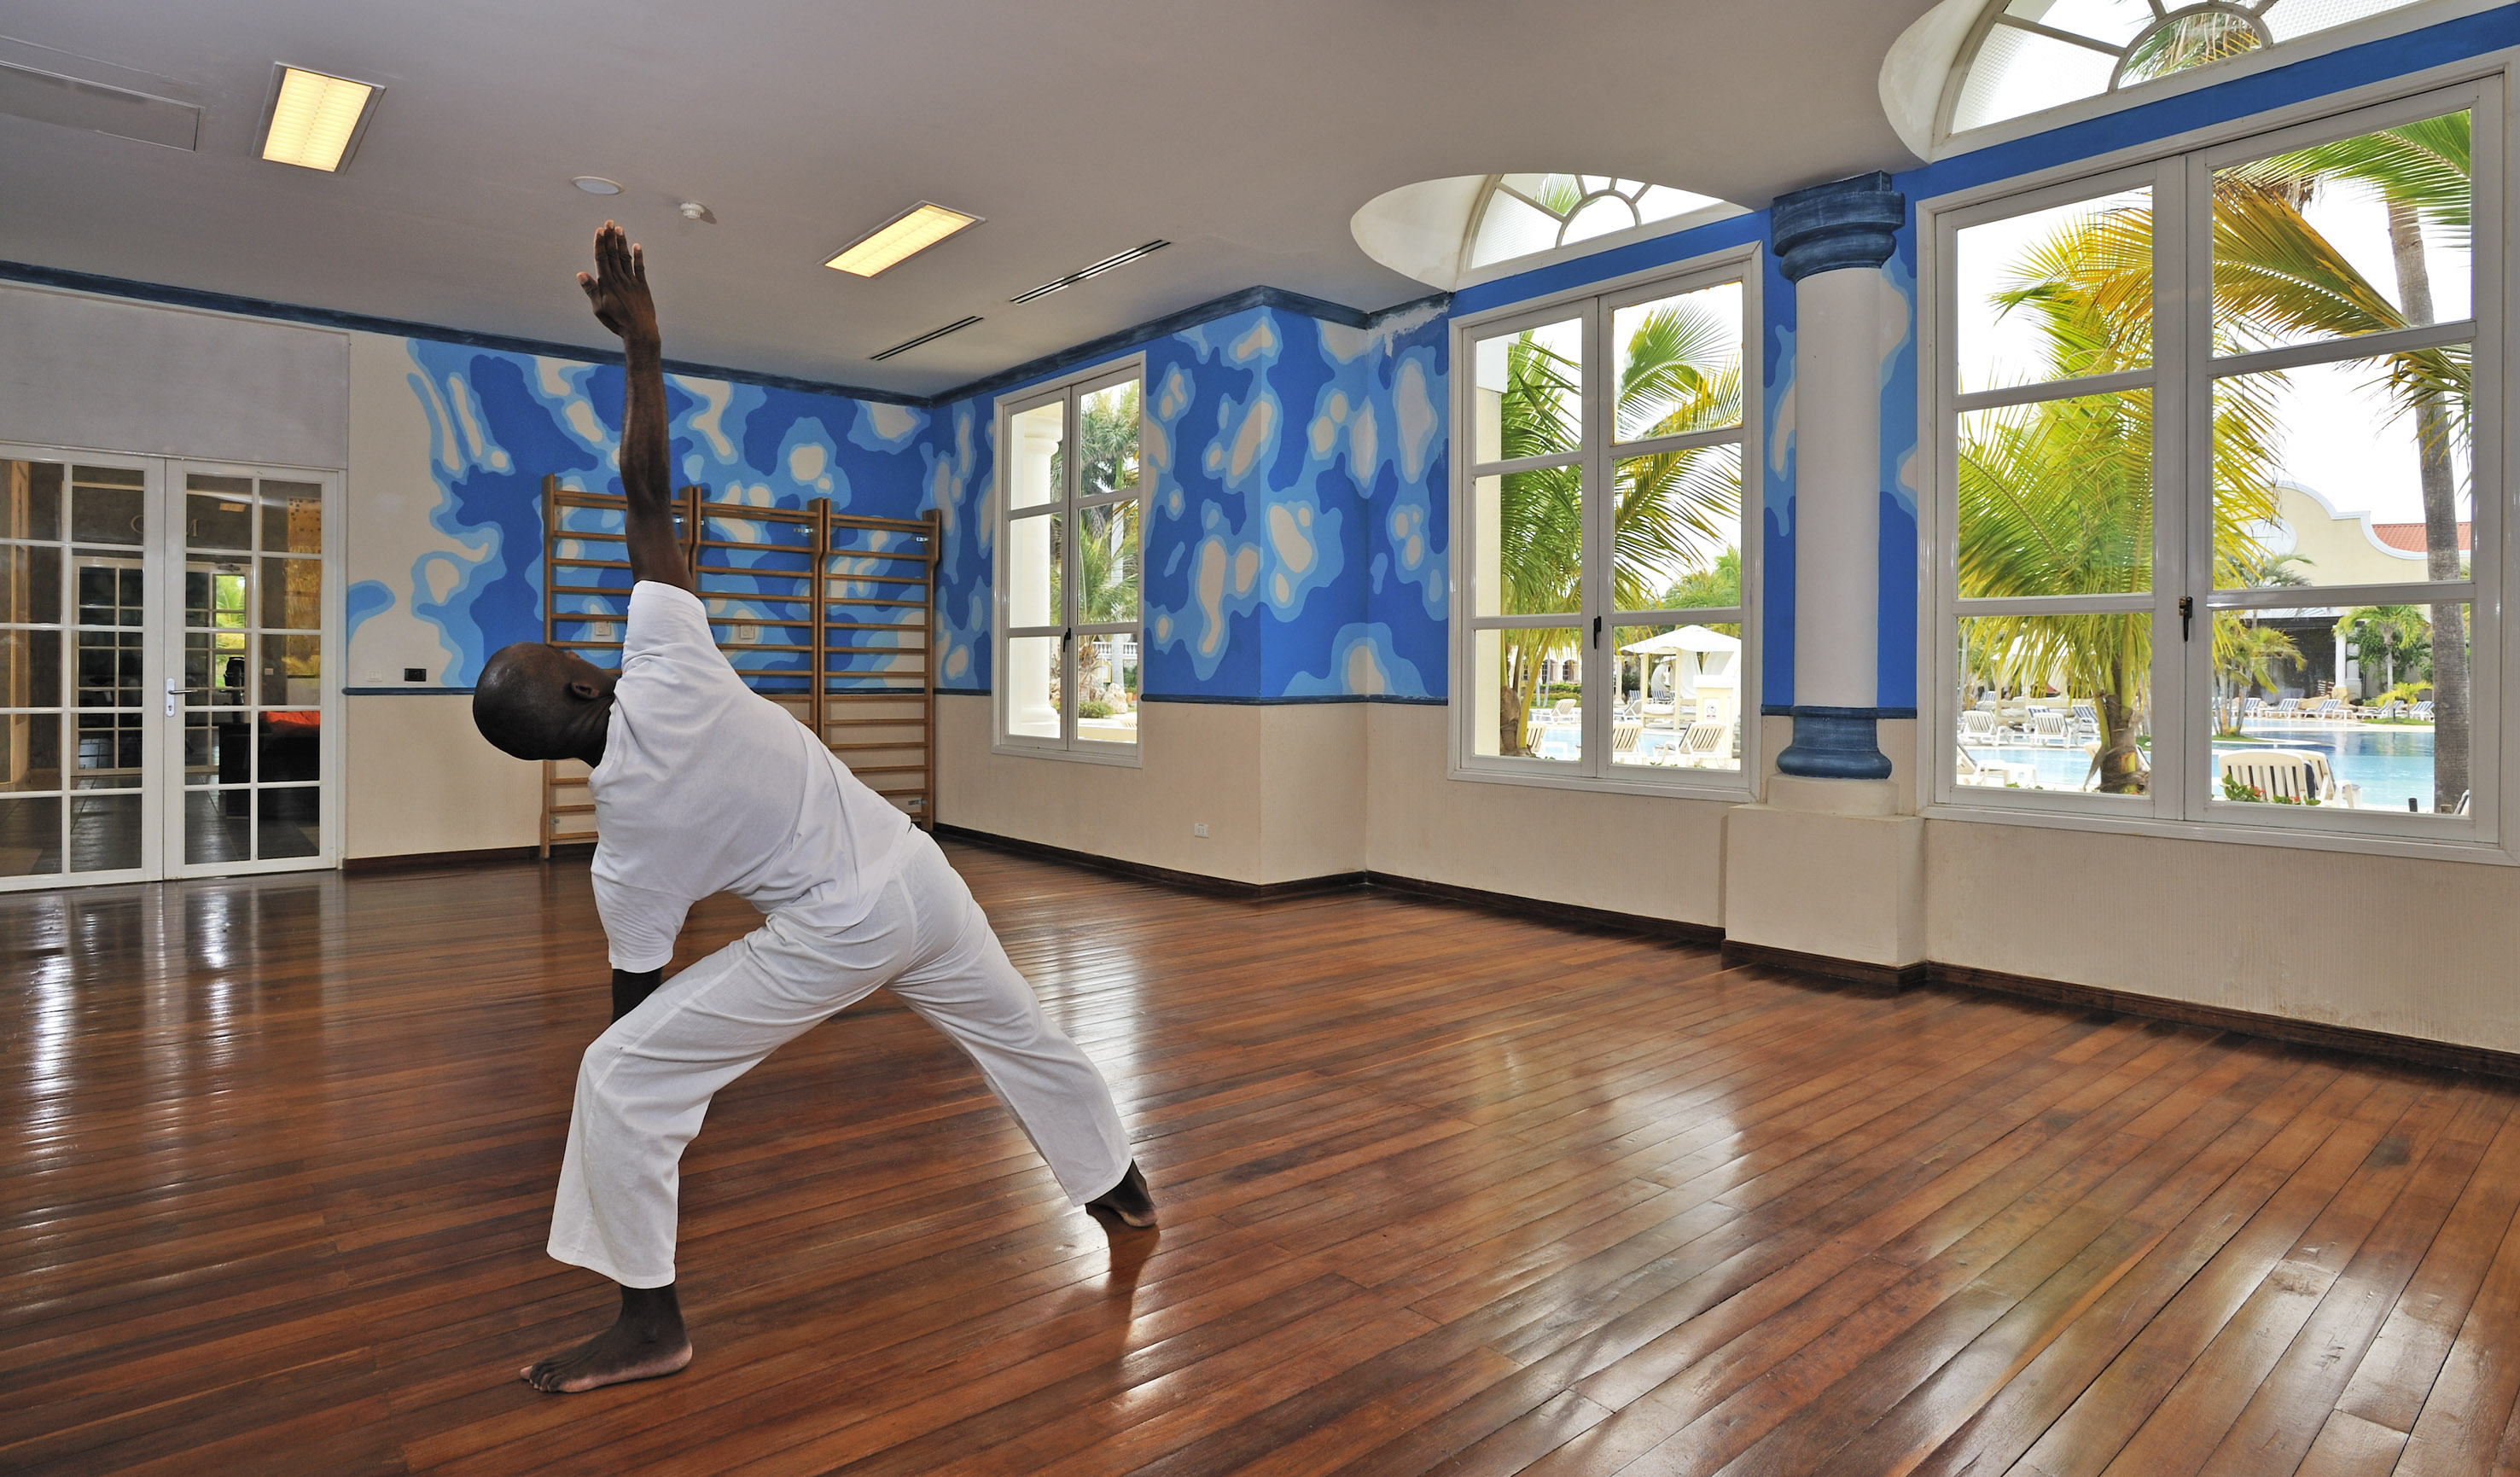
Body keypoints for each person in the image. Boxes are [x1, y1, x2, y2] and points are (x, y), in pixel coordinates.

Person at [471, 223, 1154, 1395]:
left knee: (620, 1076)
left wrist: (669, 1062)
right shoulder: (670, 659)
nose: (587, 643)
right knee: (1017, 1035)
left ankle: (651, 1322)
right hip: (920, 875)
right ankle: (1121, 1190)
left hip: (847, 926)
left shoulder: (624, 845)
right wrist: (644, 349)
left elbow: (636, 1007)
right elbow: (643, 491)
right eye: (569, 648)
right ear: (584, 681)